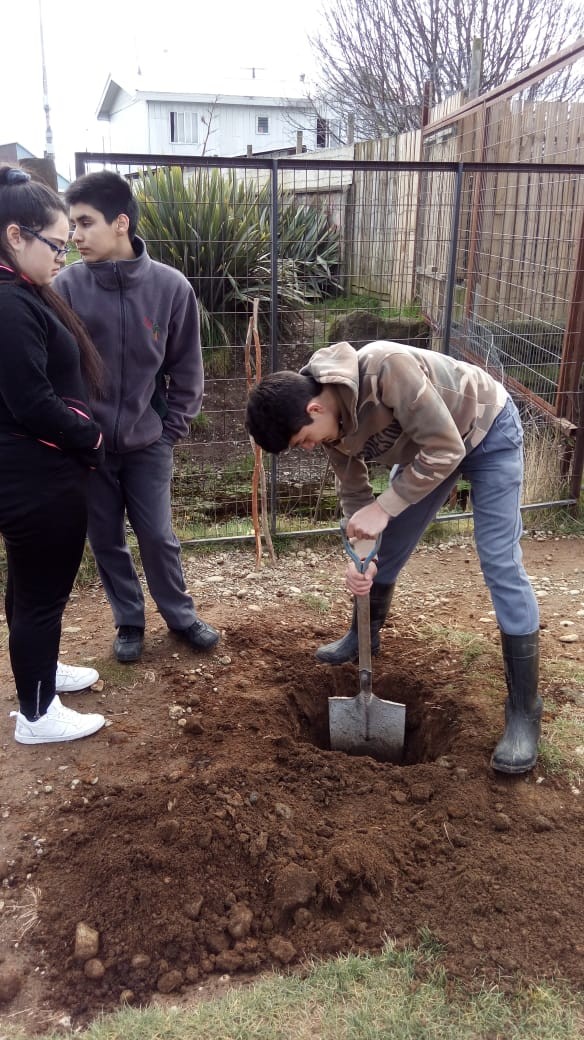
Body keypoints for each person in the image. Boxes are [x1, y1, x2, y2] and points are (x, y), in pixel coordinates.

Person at [246, 340, 542, 775]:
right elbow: (354, 493)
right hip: (431, 452)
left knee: (499, 559)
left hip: (484, 431)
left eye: (302, 441)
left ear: (314, 410)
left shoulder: (387, 369)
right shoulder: (330, 426)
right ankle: (364, 634)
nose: (308, 448)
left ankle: (524, 710)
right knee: (388, 545)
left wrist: (384, 507)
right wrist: (359, 556)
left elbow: (445, 449)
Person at [54, 171, 219, 664]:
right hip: (89, 446)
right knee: (105, 538)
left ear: (120, 223)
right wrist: (75, 431)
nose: (75, 236)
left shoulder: (171, 288)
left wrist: (169, 432)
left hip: (149, 444)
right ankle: (129, 620)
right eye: (72, 225)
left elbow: (187, 369)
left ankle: (180, 615)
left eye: (85, 223)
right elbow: (55, 370)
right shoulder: (65, 288)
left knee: (158, 537)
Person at [0, 165, 106, 744]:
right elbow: (32, 400)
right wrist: (87, 437)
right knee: (41, 594)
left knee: (29, 586)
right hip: (34, 477)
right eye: (56, 244)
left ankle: (40, 672)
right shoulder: (10, 304)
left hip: (30, 472)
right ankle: (38, 713)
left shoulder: (18, 294)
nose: (63, 255)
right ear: (16, 235)